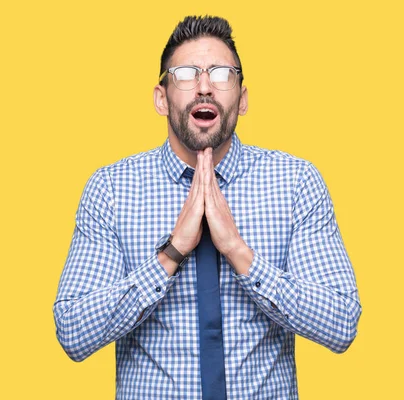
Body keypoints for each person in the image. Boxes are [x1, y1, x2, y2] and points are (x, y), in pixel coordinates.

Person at [53, 15, 361, 399]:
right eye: (185, 73)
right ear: (161, 98)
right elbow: (73, 331)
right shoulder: (112, 190)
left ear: (242, 98)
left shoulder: (296, 182)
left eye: (221, 74)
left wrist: (239, 252)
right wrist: (171, 254)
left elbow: (341, 323)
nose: (204, 87)